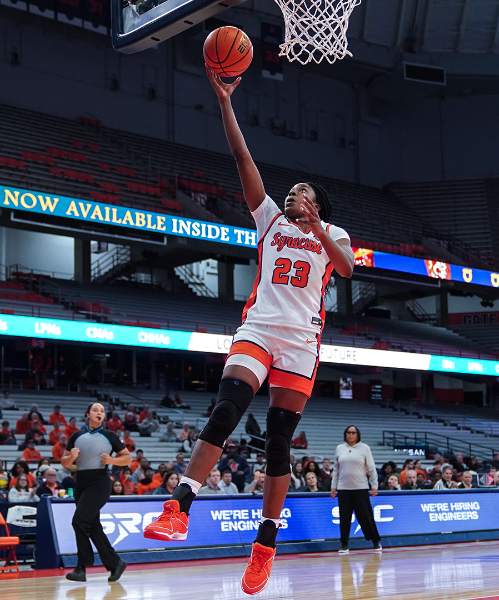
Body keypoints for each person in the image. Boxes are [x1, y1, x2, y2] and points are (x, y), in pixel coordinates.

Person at [144, 65, 353, 597]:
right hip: (259, 329)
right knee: (227, 408)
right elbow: (242, 158)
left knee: (279, 443)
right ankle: (178, 506)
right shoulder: (271, 221)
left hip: (301, 343)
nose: (292, 193)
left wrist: (319, 227)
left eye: (302, 190)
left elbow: (347, 269)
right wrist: (225, 101)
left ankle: (264, 545)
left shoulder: (333, 233)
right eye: (292, 190)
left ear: (318, 203)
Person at [60, 402, 130, 583]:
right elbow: (64, 463)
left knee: (79, 521)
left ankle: (81, 568)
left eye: (102, 411)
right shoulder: (76, 436)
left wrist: (112, 460)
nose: (99, 413)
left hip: (100, 482)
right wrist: (72, 457)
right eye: (95, 410)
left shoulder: (110, 436)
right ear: (88, 414)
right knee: (92, 526)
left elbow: (127, 458)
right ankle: (115, 563)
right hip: (81, 483)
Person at [331, 425, 381, 554]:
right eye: (348, 432)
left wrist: (374, 485)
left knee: (366, 516)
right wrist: (333, 486)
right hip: (343, 488)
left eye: (353, 432)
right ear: (345, 434)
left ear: (357, 435)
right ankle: (344, 545)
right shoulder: (339, 448)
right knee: (344, 518)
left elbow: (371, 468)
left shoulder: (364, 448)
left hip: (360, 488)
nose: (350, 434)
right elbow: (336, 469)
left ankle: (376, 542)